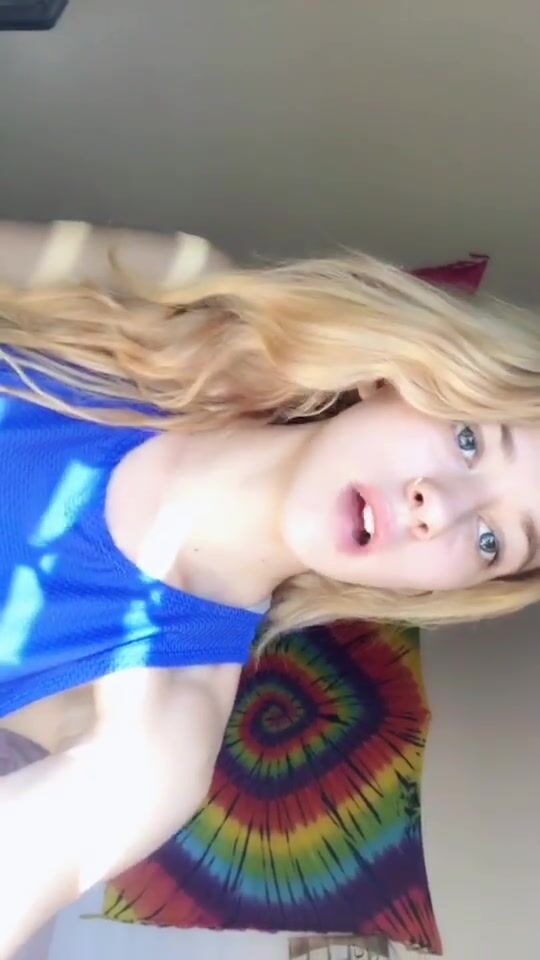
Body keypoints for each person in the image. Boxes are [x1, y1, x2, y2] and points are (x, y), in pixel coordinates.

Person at [0, 220, 539, 958]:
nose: (438, 508)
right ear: (401, 375)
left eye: (490, 543)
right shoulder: (180, 294)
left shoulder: (157, 742)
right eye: (470, 439)